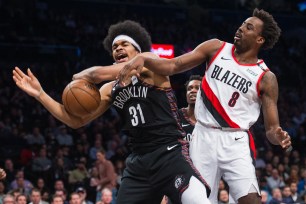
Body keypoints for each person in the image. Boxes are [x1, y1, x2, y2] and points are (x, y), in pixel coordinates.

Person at [13, 20, 210, 204]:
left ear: (137, 50)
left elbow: (96, 74)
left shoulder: (149, 62)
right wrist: (40, 94)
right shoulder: (110, 89)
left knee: (197, 199)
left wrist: (82, 75)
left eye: (124, 44)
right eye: (115, 47)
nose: (118, 49)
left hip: (170, 153)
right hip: (139, 163)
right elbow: (75, 121)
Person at [117, 8, 292, 204]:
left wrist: (278, 135)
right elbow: (173, 66)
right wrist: (144, 58)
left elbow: (271, 129)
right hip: (203, 135)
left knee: (250, 200)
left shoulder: (266, 77)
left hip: (235, 140)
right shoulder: (215, 48)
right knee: (197, 199)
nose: (241, 28)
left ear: (259, 40)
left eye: (248, 27)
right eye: (242, 24)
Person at [178, 75, 202, 142]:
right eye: (189, 88)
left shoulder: (210, 119)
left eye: (198, 88)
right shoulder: (176, 116)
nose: (193, 91)